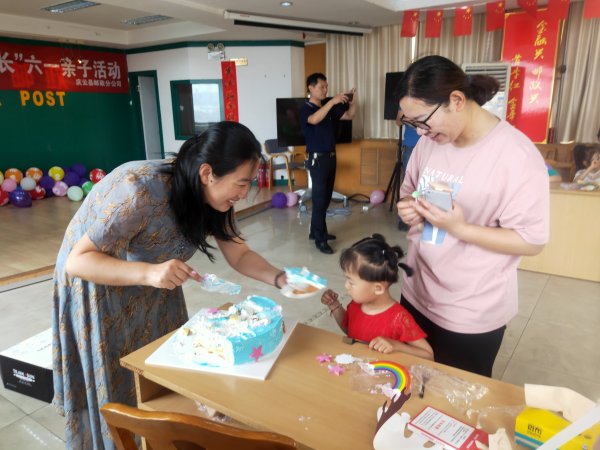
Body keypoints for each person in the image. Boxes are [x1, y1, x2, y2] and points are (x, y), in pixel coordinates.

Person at [52, 121, 290, 450]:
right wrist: (149, 274)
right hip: (100, 282)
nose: (245, 193)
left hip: (155, 280)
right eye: (242, 183)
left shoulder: (216, 201)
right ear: (207, 173)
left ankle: (161, 438)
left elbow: (240, 254)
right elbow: (77, 262)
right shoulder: (139, 189)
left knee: (163, 373)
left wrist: (280, 278)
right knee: (118, 378)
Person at [395, 55, 549, 377]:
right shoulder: (430, 143)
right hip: (417, 291)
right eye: (412, 124)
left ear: (456, 100)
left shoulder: (516, 156)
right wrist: (408, 207)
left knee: (455, 395)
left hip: (469, 310)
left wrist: (461, 229)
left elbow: (531, 241)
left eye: (423, 121)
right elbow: (409, 192)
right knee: (410, 383)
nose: (420, 133)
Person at [321, 234, 434, 360]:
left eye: (351, 282)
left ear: (378, 289)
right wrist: (334, 305)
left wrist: (396, 346)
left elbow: (428, 355)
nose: (346, 286)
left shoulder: (399, 318)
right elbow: (349, 331)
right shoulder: (356, 304)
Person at [300, 72, 357, 254]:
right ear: (311, 88)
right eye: (321, 87)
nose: (325, 90)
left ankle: (317, 232)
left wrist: (353, 103)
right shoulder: (306, 108)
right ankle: (319, 239)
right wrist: (332, 102)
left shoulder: (328, 107)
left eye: (326, 87)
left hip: (331, 157)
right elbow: (314, 119)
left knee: (325, 198)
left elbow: (349, 116)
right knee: (319, 199)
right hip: (317, 159)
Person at [395, 109, 421, 231]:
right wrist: (403, 115)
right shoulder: (405, 103)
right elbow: (398, 122)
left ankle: (424, 216)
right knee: (407, 181)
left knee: (427, 180)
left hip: (430, 145)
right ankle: (403, 218)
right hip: (410, 145)